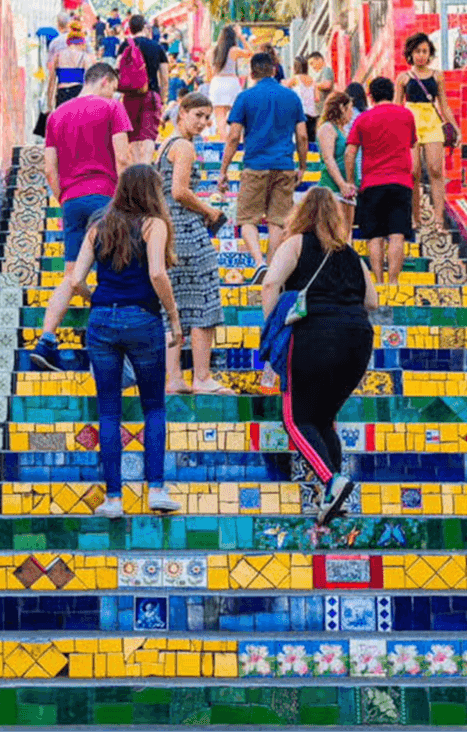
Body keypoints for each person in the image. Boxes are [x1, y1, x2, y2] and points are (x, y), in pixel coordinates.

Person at [60, 164, 185, 517]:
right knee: (154, 407)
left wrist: (96, 299)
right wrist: (174, 318)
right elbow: (158, 273)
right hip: (142, 319)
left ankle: (113, 499)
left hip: (101, 321)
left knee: (110, 411)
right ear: (151, 192)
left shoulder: (99, 226)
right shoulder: (153, 224)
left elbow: (74, 281)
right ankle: (156, 490)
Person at [261, 186, 378, 525]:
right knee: (324, 418)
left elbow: (270, 283)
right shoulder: (352, 254)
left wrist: (274, 326)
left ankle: (331, 481)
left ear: (302, 214)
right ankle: (336, 497)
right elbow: (372, 302)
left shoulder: (296, 243)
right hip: (358, 340)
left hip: (314, 336)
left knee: (295, 419)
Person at [33, 63, 133, 372]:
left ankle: (46, 340)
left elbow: (49, 168)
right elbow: (123, 157)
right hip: (106, 198)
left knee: (71, 274)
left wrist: (64, 197)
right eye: (113, 86)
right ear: (105, 81)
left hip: (71, 201)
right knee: (115, 271)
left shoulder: (57, 115)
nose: (114, 92)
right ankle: (115, 344)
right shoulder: (112, 107)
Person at [157, 93, 233, 396]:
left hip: (168, 235)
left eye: (207, 117)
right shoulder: (185, 146)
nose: (203, 123)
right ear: (183, 113)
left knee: (173, 309)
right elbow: (179, 191)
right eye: (198, 115)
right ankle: (202, 377)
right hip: (188, 232)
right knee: (205, 304)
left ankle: (174, 379)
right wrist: (209, 211)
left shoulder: (165, 145)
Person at [217, 52, 307, 275]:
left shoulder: (245, 97)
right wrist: (302, 166)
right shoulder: (292, 97)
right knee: (278, 220)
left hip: (255, 165)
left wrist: (223, 170)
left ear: (252, 72)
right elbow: (303, 136)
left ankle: (259, 263)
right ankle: (274, 265)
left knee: (247, 218)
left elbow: (233, 136)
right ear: (275, 70)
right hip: (285, 165)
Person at [345, 76, 417, 285]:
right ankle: (393, 282)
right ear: (392, 91)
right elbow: (413, 146)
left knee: (374, 235)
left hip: (372, 183)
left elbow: (350, 153)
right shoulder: (406, 115)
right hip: (401, 182)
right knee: (397, 234)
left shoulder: (363, 119)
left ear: (371, 95)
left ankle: (378, 281)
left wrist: (351, 181)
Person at [394, 33, 461, 229]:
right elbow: (397, 107)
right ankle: (416, 217)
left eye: (424, 51)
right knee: (413, 171)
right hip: (410, 122)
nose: (421, 55)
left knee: (435, 169)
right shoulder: (403, 78)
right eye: (417, 51)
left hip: (432, 122)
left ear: (430, 53)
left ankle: (439, 217)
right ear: (410, 54)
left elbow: (444, 105)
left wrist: (456, 128)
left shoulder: (437, 76)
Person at [118, 14, 169, 164]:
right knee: (148, 135)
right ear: (145, 27)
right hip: (151, 95)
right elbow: (165, 78)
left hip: (130, 95)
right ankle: (146, 167)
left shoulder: (124, 45)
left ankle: (136, 169)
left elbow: (117, 68)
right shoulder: (157, 47)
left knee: (132, 136)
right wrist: (163, 98)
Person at [315, 92, 357, 234]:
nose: (352, 112)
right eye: (350, 108)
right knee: (334, 233)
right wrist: (341, 184)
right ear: (341, 108)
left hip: (346, 189)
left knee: (345, 233)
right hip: (333, 188)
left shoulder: (343, 130)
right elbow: (328, 158)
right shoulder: (327, 128)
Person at [207, 25, 250, 141]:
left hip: (217, 83)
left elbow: (208, 75)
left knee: (220, 117)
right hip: (231, 82)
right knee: (236, 115)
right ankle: (237, 141)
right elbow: (250, 53)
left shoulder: (210, 52)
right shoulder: (234, 50)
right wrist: (242, 37)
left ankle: (224, 142)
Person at [48, 22, 95, 109]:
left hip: (62, 93)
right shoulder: (84, 57)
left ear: (68, 42)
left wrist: (49, 103)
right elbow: (90, 82)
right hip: (78, 93)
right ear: (81, 43)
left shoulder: (58, 55)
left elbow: (51, 81)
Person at [285, 56, 318, 142]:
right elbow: (317, 98)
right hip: (312, 114)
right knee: (311, 142)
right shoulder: (313, 80)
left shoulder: (296, 78)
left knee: (299, 141)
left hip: (300, 114)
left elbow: (283, 89)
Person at [307, 51, 334, 121]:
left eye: (312, 63)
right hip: (319, 111)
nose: (312, 66)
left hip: (325, 110)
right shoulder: (318, 74)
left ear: (319, 59)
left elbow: (327, 85)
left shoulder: (326, 70)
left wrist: (313, 85)